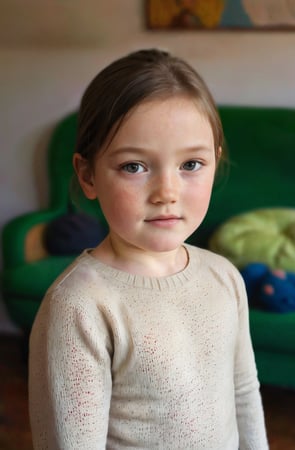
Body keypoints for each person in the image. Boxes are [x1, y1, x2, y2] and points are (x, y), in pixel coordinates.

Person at [29, 48, 269, 449]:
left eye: (191, 164)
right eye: (134, 167)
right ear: (87, 175)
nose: (167, 193)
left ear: (215, 161)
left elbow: (243, 390)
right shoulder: (79, 307)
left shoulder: (224, 276)